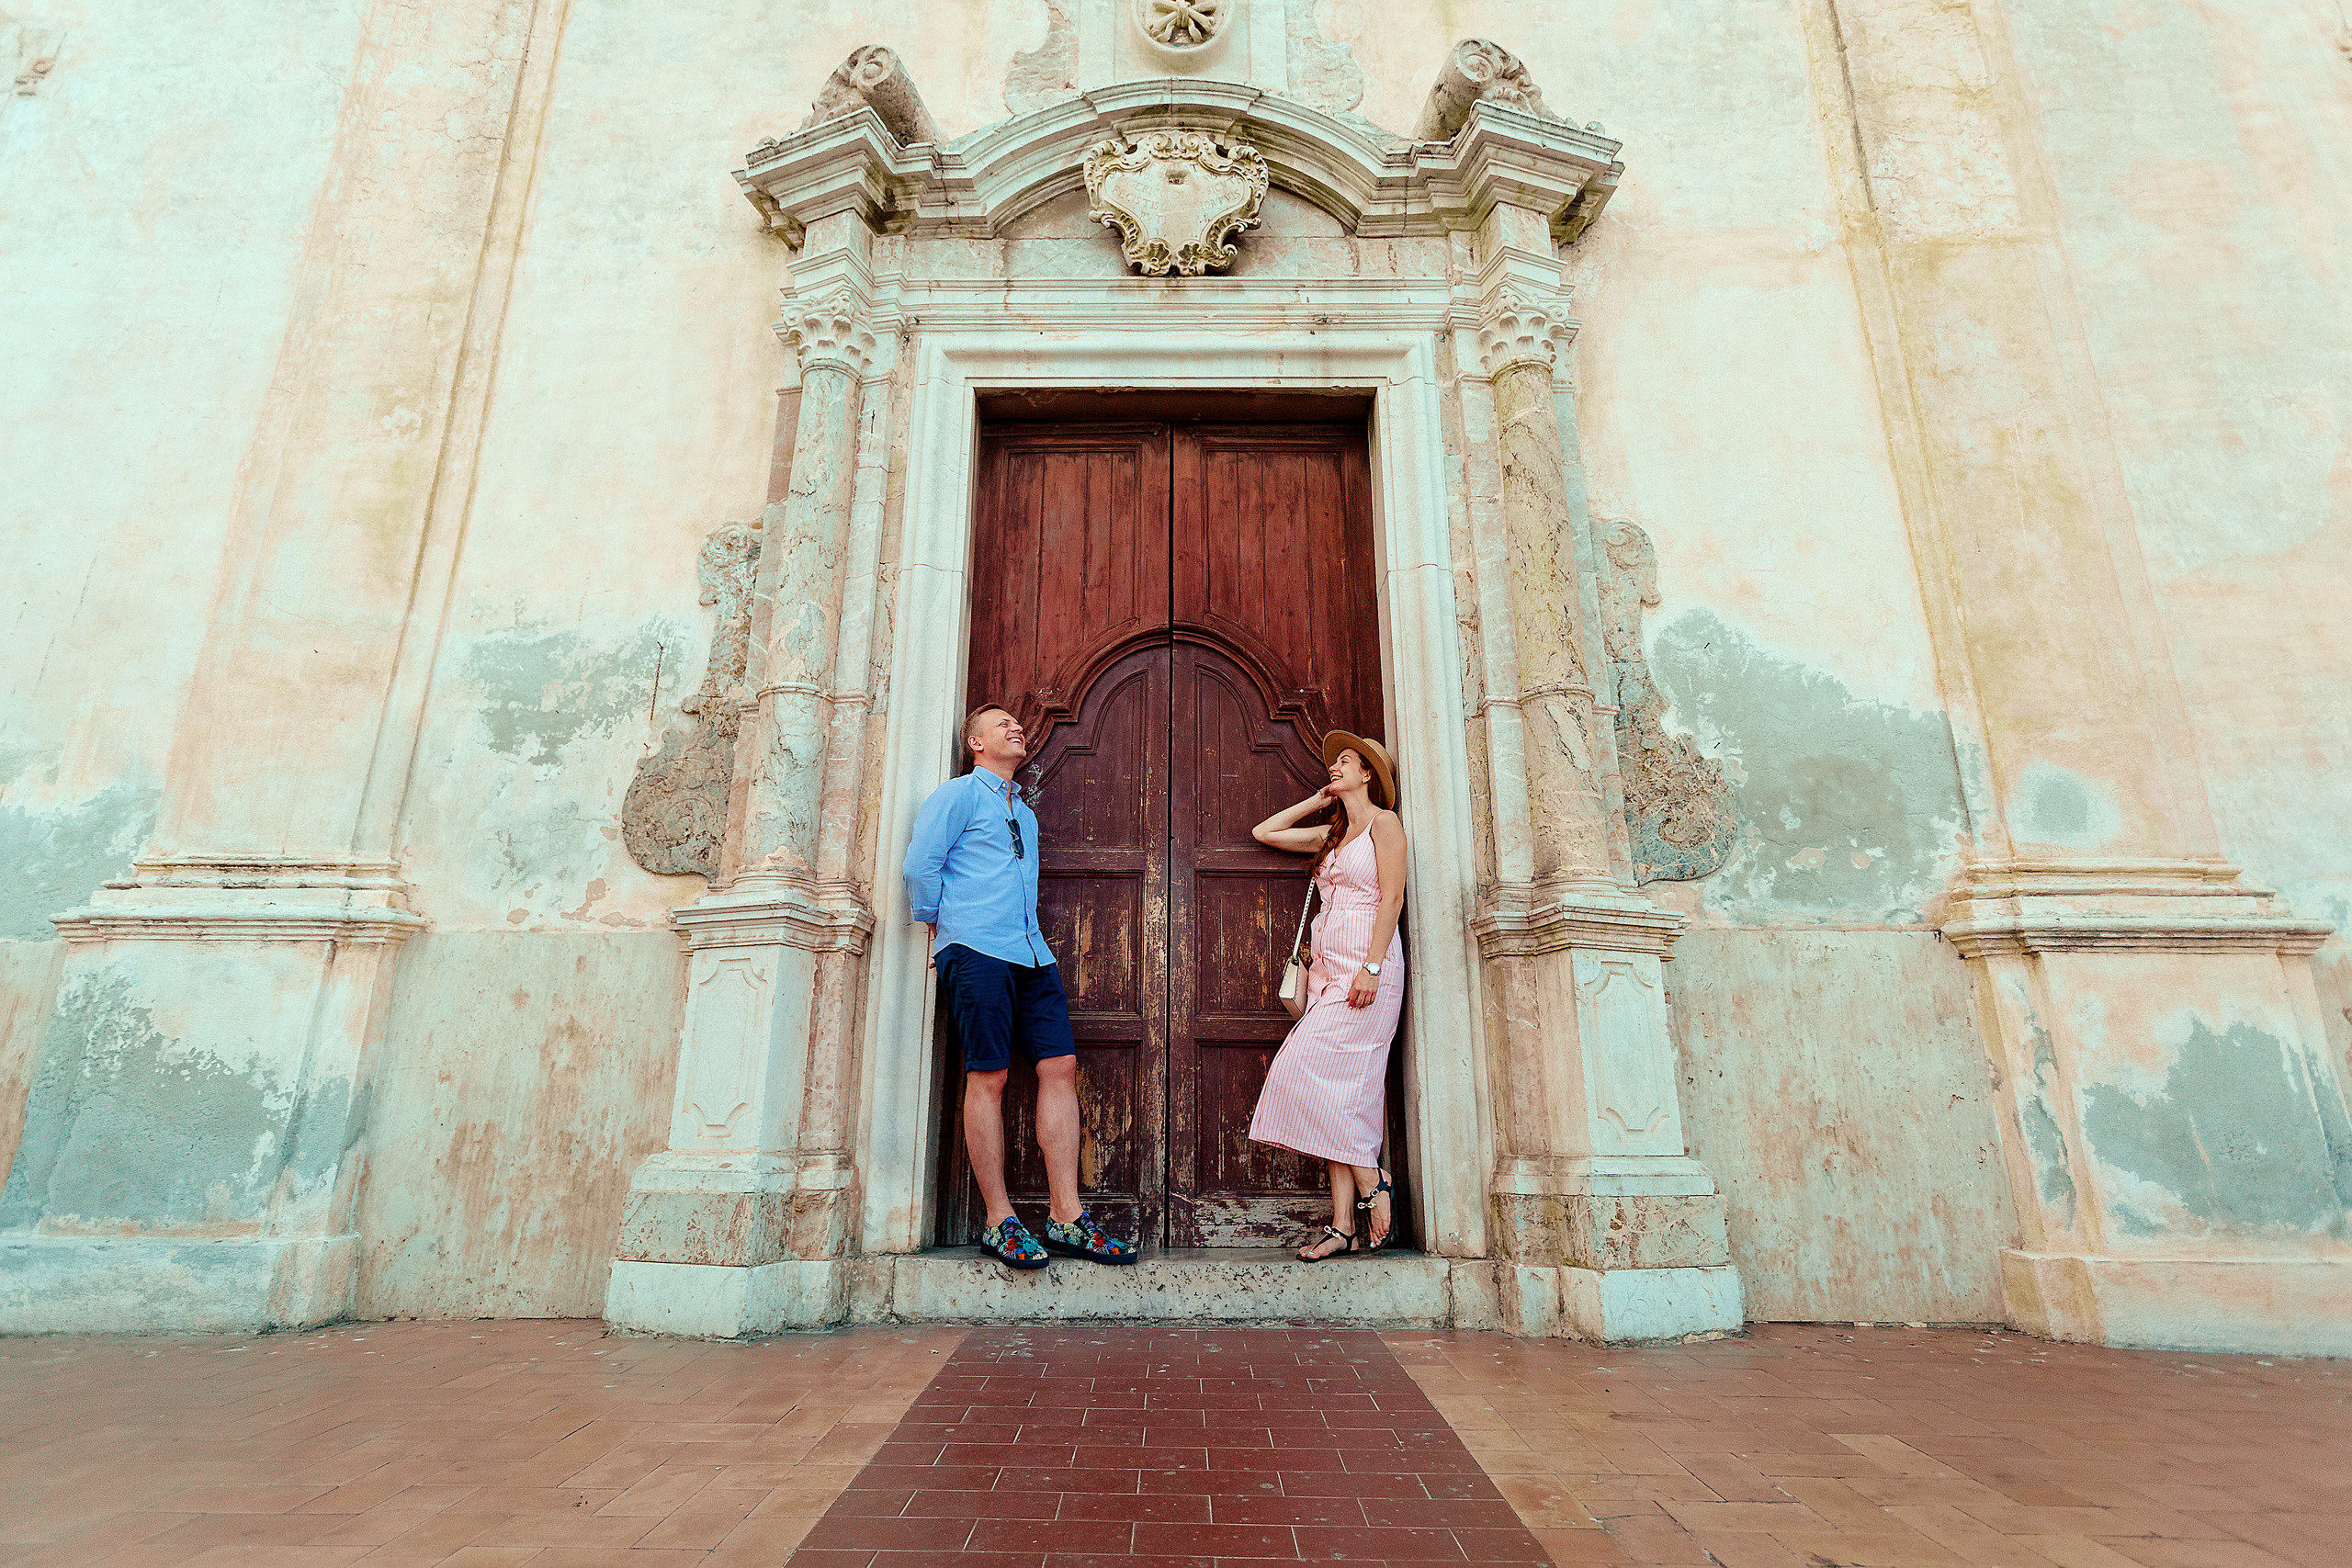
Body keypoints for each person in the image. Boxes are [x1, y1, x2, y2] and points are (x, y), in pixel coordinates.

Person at [903, 702, 1137, 1270]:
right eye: (1001, 723)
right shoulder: (957, 796)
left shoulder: (1025, 815)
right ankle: (998, 1221)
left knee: (1059, 1067)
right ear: (976, 743)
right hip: (976, 948)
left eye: (1017, 722)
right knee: (990, 1074)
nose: (1016, 727)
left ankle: (1066, 1217)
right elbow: (920, 865)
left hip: (1032, 952)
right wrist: (940, 924)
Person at [1247, 729, 1407, 1260]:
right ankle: (1343, 1226)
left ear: (1368, 775)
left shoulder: (1384, 825)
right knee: (1339, 1094)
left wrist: (1372, 966)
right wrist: (1316, 802)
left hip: (1367, 971)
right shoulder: (1332, 834)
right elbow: (1264, 831)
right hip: (1327, 972)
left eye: (1345, 762)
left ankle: (1373, 1184)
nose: (1333, 767)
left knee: (1306, 1071)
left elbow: (1392, 900)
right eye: (1333, 762)